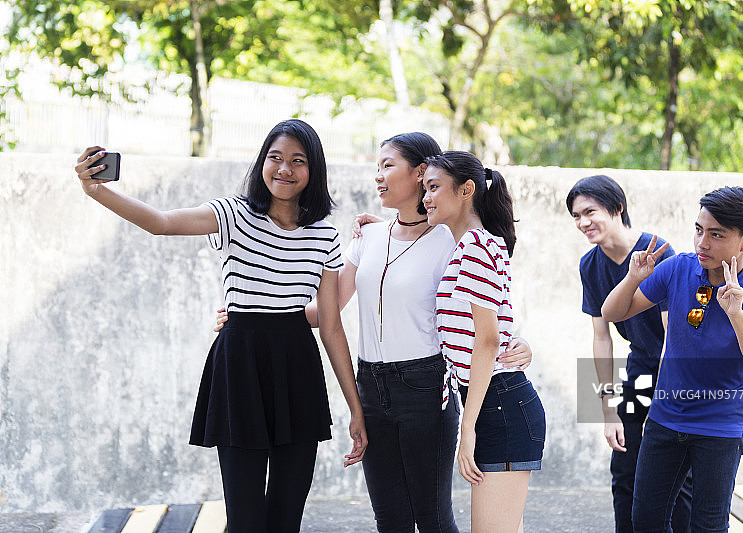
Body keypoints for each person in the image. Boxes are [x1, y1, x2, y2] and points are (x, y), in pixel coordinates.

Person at [216, 132, 533, 533]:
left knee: (433, 519)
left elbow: (489, 309)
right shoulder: (368, 236)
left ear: (420, 174)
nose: (378, 177)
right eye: (376, 167)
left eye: (387, 166)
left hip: (424, 382)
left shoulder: (450, 238)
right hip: (371, 385)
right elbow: (326, 313)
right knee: (390, 520)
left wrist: (520, 343)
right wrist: (251, 316)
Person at [72, 119, 367, 533]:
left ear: (313, 171)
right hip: (240, 364)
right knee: (245, 518)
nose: (284, 169)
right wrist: (96, 190)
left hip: (297, 363)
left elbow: (332, 327)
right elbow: (161, 222)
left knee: (286, 514)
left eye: (297, 161)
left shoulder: (323, 235)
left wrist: (355, 408)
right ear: (262, 163)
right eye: (275, 158)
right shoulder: (233, 213)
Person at [601, 186, 743, 532]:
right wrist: (633, 277)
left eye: (716, 235)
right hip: (665, 419)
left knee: (708, 526)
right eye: (699, 230)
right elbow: (612, 312)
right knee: (646, 521)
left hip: (720, 428)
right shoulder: (678, 269)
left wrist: (737, 315)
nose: (702, 243)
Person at [422, 151, 545, 533]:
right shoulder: (472, 245)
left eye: (433, 187)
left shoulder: (475, 245)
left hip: (499, 405)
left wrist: (467, 429)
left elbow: (488, 342)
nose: (425, 197)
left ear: (466, 190)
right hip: (497, 401)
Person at [566, 175, 690, 533]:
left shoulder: (660, 253)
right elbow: (601, 338)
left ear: (617, 208)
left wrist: (665, 400)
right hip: (639, 371)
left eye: (590, 211)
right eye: (576, 215)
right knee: (625, 471)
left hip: (676, 373)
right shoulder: (590, 265)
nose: (583, 222)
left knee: (677, 481)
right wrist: (608, 411)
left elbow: (673, 337)